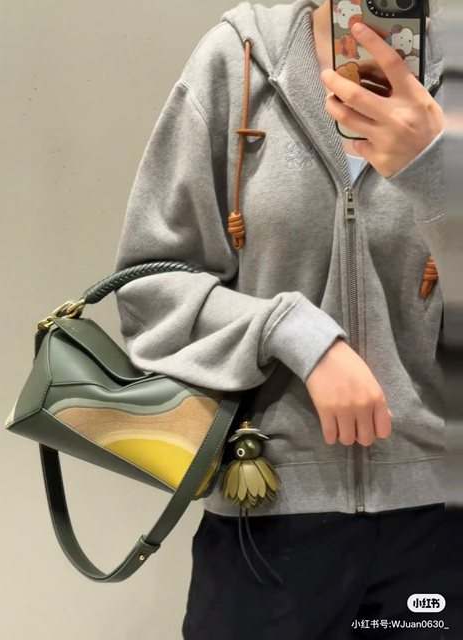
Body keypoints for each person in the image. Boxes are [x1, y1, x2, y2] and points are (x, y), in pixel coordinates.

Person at [114, 0, 460, 637]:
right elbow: (150, 289)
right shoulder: (238, 59)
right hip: (265, 514)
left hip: (442, 525)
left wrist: (438, 177)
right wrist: (295, 334)